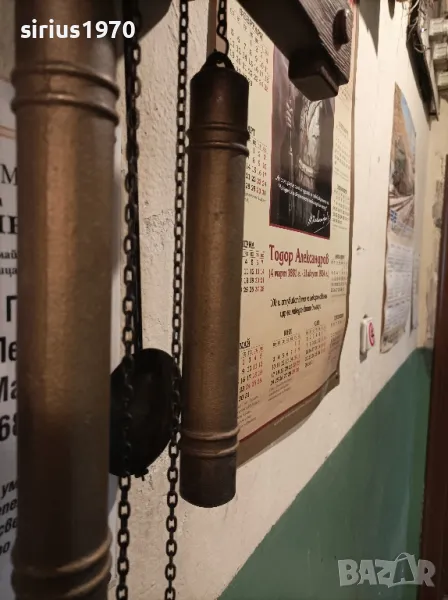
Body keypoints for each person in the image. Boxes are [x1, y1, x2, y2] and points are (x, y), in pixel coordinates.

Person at [270, 49, 334, 238]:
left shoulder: (324, 108)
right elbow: (296, 136)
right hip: (298, 169)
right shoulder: (299, 98)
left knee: (305, 220)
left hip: (311, 175)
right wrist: (290, 122)